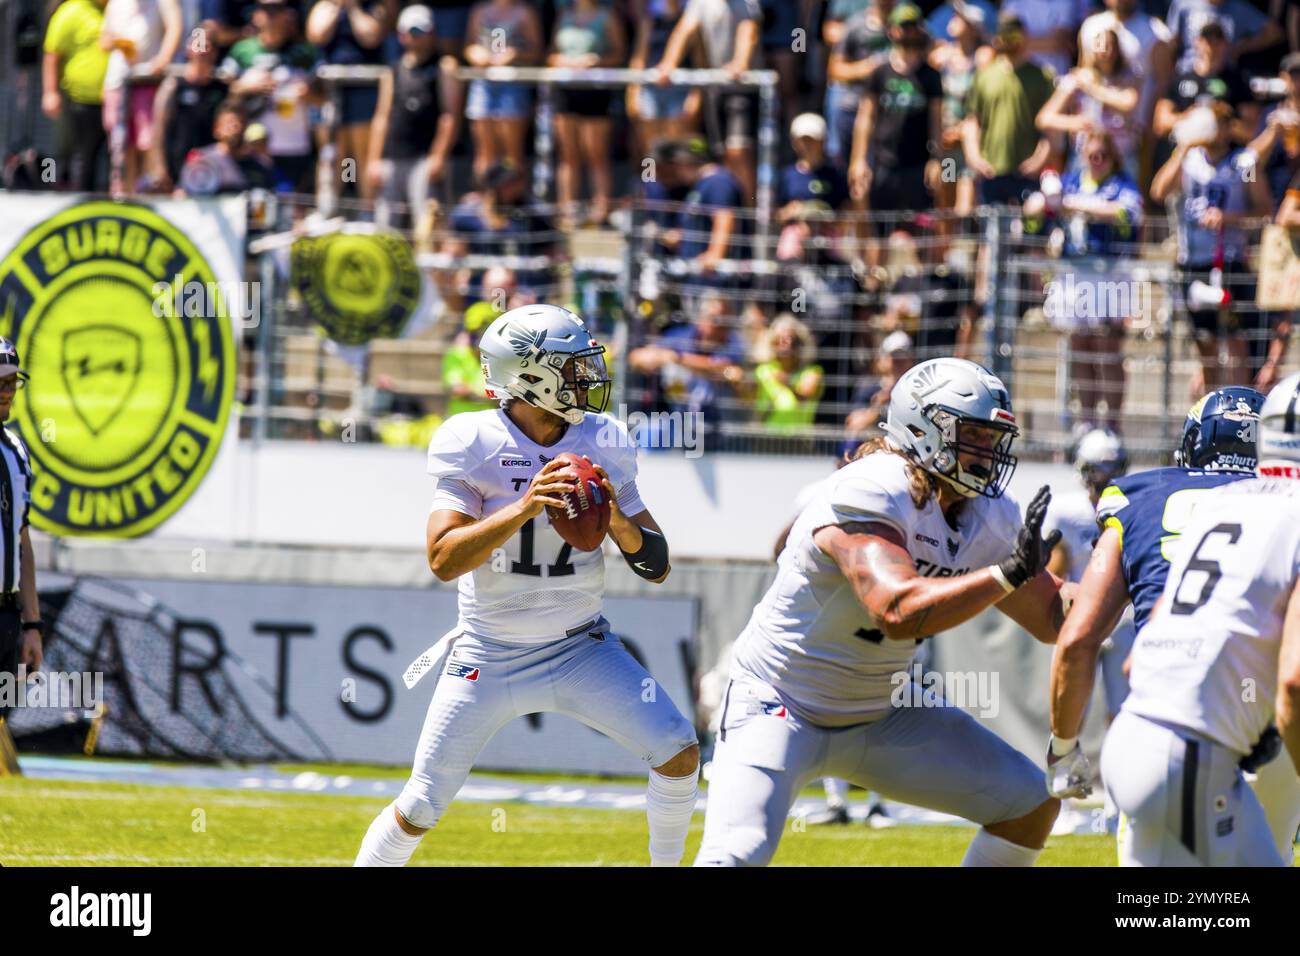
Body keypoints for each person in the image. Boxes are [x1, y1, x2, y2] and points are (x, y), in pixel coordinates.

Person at [354, 304, 699, 867]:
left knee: (679, 753)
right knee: (420, 804)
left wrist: (613, 515)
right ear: (531, 376)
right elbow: (443, 559)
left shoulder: (604, 438)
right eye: (572, 366)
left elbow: (656, 564)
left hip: (578, 646)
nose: (587, 377)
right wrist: (523, 506)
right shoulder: (472, 438)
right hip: (487, 652)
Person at [695, 357, 1069, 866]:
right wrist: (1004, 575)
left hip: (881, 709)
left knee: (1029, 804)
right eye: (974, 435)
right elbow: (896, 609)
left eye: (992, 439)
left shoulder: (986, 512)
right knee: (732, 857)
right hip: (781, 702)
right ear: (923, 428)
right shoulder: (874, 486)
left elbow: (1055, 619)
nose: (987, 452)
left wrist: (1136, 580)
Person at [1046, 386, 1300, 864]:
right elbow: (1293, 678)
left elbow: (1086, 641)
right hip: (1241, 731)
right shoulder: (1273, 507)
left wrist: (1062, 748)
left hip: (1151, 726)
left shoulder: (1180, 503)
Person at [1150, 101, 1273, 394]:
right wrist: (1182, 148)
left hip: (1229, 260)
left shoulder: (1244, 164)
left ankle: (1241, 403)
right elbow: (1159, 191)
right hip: (1193, 260)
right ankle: (1212, 406)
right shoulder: (1190, 161)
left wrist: (1228, 218)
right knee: (1204, 339)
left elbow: (1263, 210)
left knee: (1234, 338)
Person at [1025, 130, 1143, 429]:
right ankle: (1086, 421)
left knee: (1107, 349)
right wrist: (1042, 202)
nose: (1097, 161)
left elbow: (1127, 213)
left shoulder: (1121, 185)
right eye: (1092, 156)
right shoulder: (1072, 180)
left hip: (1109, 274)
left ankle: (1111, 424)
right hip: (1074, 274)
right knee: (1080, 347)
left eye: (1103, 155)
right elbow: (1035, 212)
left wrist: (1076, 204)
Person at [848, 3, 944, 234]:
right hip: (883, 163)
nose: (909, 32)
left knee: (923, 231)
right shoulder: (879, 72)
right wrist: (859, 159)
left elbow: (937, 122)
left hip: (917, 164)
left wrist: (937, 160)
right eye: (904, 26)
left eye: (913, 27)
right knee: (876, 230)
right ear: (892, 30)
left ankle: (927, 271)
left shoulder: (930, 76)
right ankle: (871, 271)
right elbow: (865, 118)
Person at [653, 0, 762, 199]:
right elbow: (685, 30)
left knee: (739, 152)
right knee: (724, 156)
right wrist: (668, 64)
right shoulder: (700, 2)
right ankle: (731, 209)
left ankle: (750, 218)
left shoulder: (746, 3)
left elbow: (749, 30)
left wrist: (741, 61)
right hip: (716, 87)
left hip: (742, 89)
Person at [368, 5, 461, 228]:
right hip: (393, 156)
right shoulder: (391, 71)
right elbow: (381, 116)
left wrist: (438, 156)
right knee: (385, 225)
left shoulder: (444, 66)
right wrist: (373, 159)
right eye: (411, 32)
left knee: (427, 223)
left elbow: (450, 115)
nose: (416, 37)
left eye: (421, 32)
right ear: (401, 35)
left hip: (424, 158)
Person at [221, 0, 319, 194]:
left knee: (291, 204)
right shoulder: (242, 50)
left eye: (278, 9)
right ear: (256, 14)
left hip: (293, 144)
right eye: (266, 9)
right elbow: (226, 96)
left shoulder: (304, 52)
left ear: (288, 14)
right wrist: (246, 86)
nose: (271, 15)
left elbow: (325, 97)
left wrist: (308, 94)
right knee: (256, 204)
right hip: (252, 145)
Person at [305, 0, 398, 200]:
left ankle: (364, 206)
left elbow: (371, 37)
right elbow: (316, 35)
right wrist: (338, 8)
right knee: (333, 154)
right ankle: (333, 204)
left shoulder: (373, 8)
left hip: (362, 90)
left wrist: (354, 9)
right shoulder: (325, 6)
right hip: (330, 91)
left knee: (359, 156)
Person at [0, 340, 44, 751]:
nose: (7, 391)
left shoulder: (15, 451)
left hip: (5, 616)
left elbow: (23, 541)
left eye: (12, 381)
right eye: (0, 382)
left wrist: (32, 624)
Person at [963, 11, 1054, 206]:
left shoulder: (1043, 76)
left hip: (1027, 171)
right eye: (1006, 34)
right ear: (997, 38)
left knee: (1029, 233)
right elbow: (972, 120)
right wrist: (974, 156)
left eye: (1015, 35)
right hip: (991, 169)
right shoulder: (984, 75)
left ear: (1026, 37)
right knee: (992, 232)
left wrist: (1040, 159)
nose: (1011, 40)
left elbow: (1051, 129)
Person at [549, 0, 627, 227]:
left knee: (596, 153)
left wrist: (596, 61)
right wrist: (562, 61)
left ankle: (600, 210)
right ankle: (568, 210)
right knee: (568, 154)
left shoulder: (608, 16)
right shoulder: (564, 15)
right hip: (565, 91)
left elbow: (619, 54)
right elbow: (551, 54)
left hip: (595, 91)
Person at [99, 0, 183, 193]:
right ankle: (124, 195)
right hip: (118, 82)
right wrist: (114, 42)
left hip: (147, 81)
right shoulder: (115, 3)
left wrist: (164, 58)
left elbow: (175, 26)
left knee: (149, 144)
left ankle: (147, 196)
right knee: (121, 146)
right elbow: (103, 40)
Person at [1035, 27, 1140, 178]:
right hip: (1084, 158)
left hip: (1120, 157)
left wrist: (1092, 88)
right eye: (1100, 45)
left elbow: (1129, 104)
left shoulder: (1127, 78)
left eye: (1109, 45)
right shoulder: (1077, 79)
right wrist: (1074, 122)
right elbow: (1044, 119)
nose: (1105, 51)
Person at [464, 0, 543, 182]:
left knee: (512, 153)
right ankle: (486, 202)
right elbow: (468, 46)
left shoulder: (525, 12)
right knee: (484, 152)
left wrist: (515, 54)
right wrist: (476, 54)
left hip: (512, 83)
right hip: (483, 83)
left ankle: (512, 203)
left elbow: (536, 51)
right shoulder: (479, 10)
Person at [929, 0, 992, 220]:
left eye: (960, 18)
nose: (953, 20)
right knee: (945, 195)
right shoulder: (940, 58)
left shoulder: (982, 60)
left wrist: (962, 131)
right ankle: (945, 250)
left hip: (970, 145)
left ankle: (964, 248)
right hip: (946, 146)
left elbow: (983, 106)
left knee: (966, 203)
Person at [148, 25, 229, 192]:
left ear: (215, 52)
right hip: (176, 168)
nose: (202, 51)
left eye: (207, 45)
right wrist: (159, 167)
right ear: (188, 49)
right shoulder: (174, 86)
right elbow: (159, 129)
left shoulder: (221, 89)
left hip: (210, 172)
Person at [1153, 20, 1259, 147]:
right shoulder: (1180, 79)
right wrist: (1191, 119)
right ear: (1196, 42)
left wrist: (1219, 123)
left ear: (1226, 44)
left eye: (1217, 40)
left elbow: (1251, 132)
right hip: (1186, 154)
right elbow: (1160, 123)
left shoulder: (1238, 81)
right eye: (1207, 39)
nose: (1212, 46)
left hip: (1224, 159)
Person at [42, 0, 110, 192]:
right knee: (75, 155)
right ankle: (70, 197)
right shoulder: (71, 11)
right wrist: (50, 92)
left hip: (112, 101)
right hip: (77, 100)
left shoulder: (114, 9)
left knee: (106, 158)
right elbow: (52, 55)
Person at [825, 0, 893, 170]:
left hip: (892, 110)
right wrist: (867, 69)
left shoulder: (906, 26)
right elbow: (835, 71)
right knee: (854, 169)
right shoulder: (855, 26)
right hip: (856, 106)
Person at [628, 0, 700, 155]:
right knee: (650, 148)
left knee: (678, 148)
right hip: (650, 89)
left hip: (681, 90)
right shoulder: (650, 21)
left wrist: (696, 95)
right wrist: (633, 92)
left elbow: (699, 61)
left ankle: (675, 180)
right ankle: (650, 178)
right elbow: (639, 58)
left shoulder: (690, 18)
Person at [1165, 0, 1282, 74]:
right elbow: (1171, 44)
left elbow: (1274, 33)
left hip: (1225, 76)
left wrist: (1239, 48)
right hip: (1187, 73)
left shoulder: (1238, 8)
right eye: (1208, 40)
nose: (1211, 44)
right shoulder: (1183, 4)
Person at [752, 314, 823, 433]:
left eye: (792, 340)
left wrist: (787, 382)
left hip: (798, 440)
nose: (786, 345)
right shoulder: (763, 370)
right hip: (766, 438)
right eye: (780, 340)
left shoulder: (812, 372)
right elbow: (748, 398)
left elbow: (804, 396)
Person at [776, 112, 849, 222]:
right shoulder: (787, 175)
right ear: (794, 142)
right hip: (796, 235)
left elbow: (847, 209)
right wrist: (791, 211)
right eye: (804, 140)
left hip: (829, 235)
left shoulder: (836, 174)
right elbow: (777, 215)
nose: (808, 145)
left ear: (823, 141)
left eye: (813, 140)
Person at [999, 0, 1091, 82]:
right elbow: (1008, 41)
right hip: (1020, 81)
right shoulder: (1013, 2)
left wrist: (1020, 42)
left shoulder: (1065, 2)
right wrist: (1047, 41)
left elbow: (1060, 41)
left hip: (1056, 79)